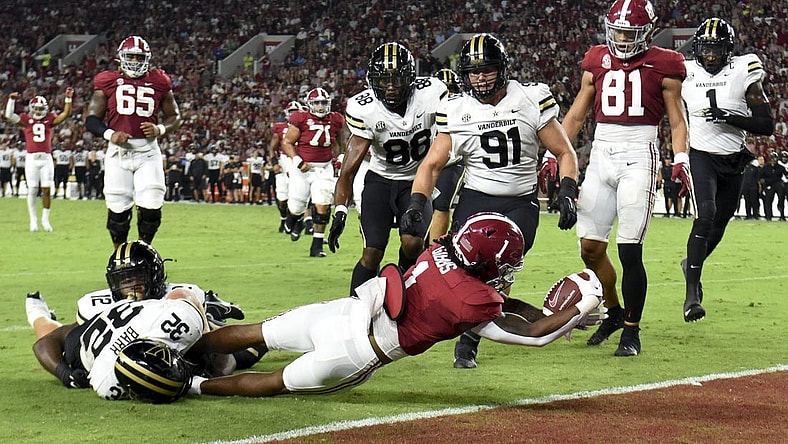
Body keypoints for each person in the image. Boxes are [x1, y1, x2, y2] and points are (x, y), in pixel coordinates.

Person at [183, 213, 605, 398]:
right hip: (356, 353)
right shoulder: (471, 302)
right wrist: (584, 302)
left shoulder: (439, 251)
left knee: (259, 331)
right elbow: (529, 336)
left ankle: (184, 347)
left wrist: (554, 316)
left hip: (341, 313)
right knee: (275, 382)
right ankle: (195, 386)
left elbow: (502, 304)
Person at [401, 33, 580, 368]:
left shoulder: (529, 98)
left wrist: (567, 189)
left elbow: (564, 151)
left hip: (519, 203)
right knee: (458, 269)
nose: (479, 78)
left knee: (499, 273)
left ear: (502, 69)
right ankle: (446, 322)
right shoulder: (457, 108)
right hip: (477, 198)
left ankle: (469, 339)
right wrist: (415, 201)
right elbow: (432, 163)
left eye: (487, 70)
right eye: (473, 72)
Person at [561, 0, 689, 356]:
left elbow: (677, 120)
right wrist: (552, 154)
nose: (620, 38)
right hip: (601, 153)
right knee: (589, 248)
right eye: (616, 30)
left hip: (639, 154)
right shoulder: (596, 59)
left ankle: (631, 330)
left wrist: (680, 159)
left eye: (628, 32)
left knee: (630, 249)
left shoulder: (664, 64)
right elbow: (575, 115)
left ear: (646, 33)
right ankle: (614, 310)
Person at [26, 240, 260, 400]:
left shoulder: (175, 297)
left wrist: (210, 372)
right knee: (49, 329)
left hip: (176, 327)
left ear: (155, 275)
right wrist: (63, 373)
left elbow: (222, 362)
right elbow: (48, 340)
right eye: (123, 280)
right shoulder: (99, 308)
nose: (132, 286)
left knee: (246, 352)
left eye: (139, 277)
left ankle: (212, 313)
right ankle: (38, 311)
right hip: (130, 341)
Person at [329, 42, 448, 292]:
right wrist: (340, 210)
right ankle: (357, 312)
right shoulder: (365, 108)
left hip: (417, 181)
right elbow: (348, 170)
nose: (391, 87)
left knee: (413, 244)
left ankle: (404, 290)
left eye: (396, 79)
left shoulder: (431, 94)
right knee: (372, 252)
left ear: (410, 77)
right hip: (380, 180)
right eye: (384, 80)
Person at [680, 17, 776, 322]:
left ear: (728, 49)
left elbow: (767, 124)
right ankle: (692, 295)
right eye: (705, 49)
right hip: (701, 155)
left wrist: (729, 117)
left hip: (733, 157)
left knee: (720, 224)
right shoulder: (684, 71)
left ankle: (691, 264)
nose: (709, 56)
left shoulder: (743, 70)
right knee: (705, 214)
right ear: (697, 48)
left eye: (716, 49)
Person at [84, 35, 181, 248]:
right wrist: (111, 134)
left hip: (147, 151)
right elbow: (91, 120)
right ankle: (120, 257)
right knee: (118, 208)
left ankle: (144, 252)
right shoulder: (108, 81)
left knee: (152, 204)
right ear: (120, 58)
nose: (135, 62)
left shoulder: (159, 80)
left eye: (139, 57)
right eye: (131, 57)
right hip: (118, 151)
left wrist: (159, 128)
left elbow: (175, 116)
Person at [281, 87, 346, 257]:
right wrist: (297, 160)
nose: (320, 106)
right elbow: (287, 142)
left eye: (323, 102)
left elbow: (340, 142)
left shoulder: (336, 119)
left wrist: (339, 156)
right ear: (310, 104)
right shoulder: (300, 118)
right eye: (317, 102)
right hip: (303, 168)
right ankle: (294, 220)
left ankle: (316, 246)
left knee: (323, 205)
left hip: (324, 168)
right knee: (297, 205)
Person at [4, 88, 74, 232]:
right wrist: (11, 99)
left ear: (45, 109)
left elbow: (65, 114)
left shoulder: (49, 119)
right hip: (31, 158)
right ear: (31, 108)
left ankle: (45, 220)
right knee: (33, 189)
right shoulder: (26, 120)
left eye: (41, 109)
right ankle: (33, 221)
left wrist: (68, 99)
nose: (38, 111)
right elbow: (9, 114)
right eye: (36, 108)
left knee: (47, 190)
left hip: (46, 157)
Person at [427, 67, 465, 246]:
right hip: (426, 165)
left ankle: (433, 252)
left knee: (442, 204)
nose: (448, 95)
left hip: (452, 162)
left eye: (451, 90)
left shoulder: (461, 109)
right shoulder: (422, 110)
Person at [269, 101, 304, 232]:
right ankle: (284, 219)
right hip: (284, 161)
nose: (293, 113)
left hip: (299, 159)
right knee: (282, 196)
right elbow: (272, 148)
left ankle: (299, 221)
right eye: (291, 111)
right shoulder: (280, 127)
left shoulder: (305, 126)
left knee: (298, 193)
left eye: (296, 111)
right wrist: (274, 163)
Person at [759, 153, 785, 221]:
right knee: (768, 201)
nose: (773, 160)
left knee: (781, 199)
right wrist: (763, 182)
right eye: (772, 159)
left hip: (777, 184)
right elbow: (761, 177)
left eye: (775, 159)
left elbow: (785, 176)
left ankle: (782, 215)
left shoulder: (781, 167)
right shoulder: (766, 167)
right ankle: (768, 216)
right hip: (769, 185)